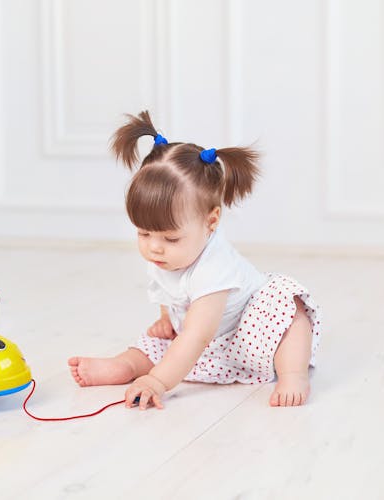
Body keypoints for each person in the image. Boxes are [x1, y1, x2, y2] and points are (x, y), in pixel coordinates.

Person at [68, 111, 322, 410]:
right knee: (157, 344)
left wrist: (158, 382)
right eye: (143, 233)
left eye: (170, 238)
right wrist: (166, 318)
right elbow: (167, 291)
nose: (154, 248)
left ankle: (294, 375)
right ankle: (124, 365)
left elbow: (198, 335)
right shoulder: (167, 255)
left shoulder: (215, 268)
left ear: (211, 221)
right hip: (203, 338)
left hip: (246, 333)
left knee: (293, 320)